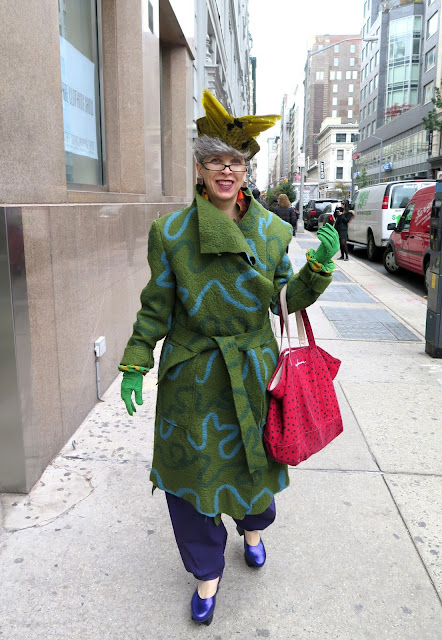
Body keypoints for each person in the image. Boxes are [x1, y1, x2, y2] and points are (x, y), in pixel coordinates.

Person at [118, 89, 339, 626]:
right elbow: (156, 307)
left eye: (235, 161)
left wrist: (317, 271)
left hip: (253, 369)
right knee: (189, 478)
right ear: (199, 168)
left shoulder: (273, 231)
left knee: (253, 466)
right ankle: (206, 572)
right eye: (215, 159)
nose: (225, 169)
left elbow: (282, 300)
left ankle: (254, 528)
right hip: (193, 375)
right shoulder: (171, 233)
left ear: (246, 170)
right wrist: (136, 360)